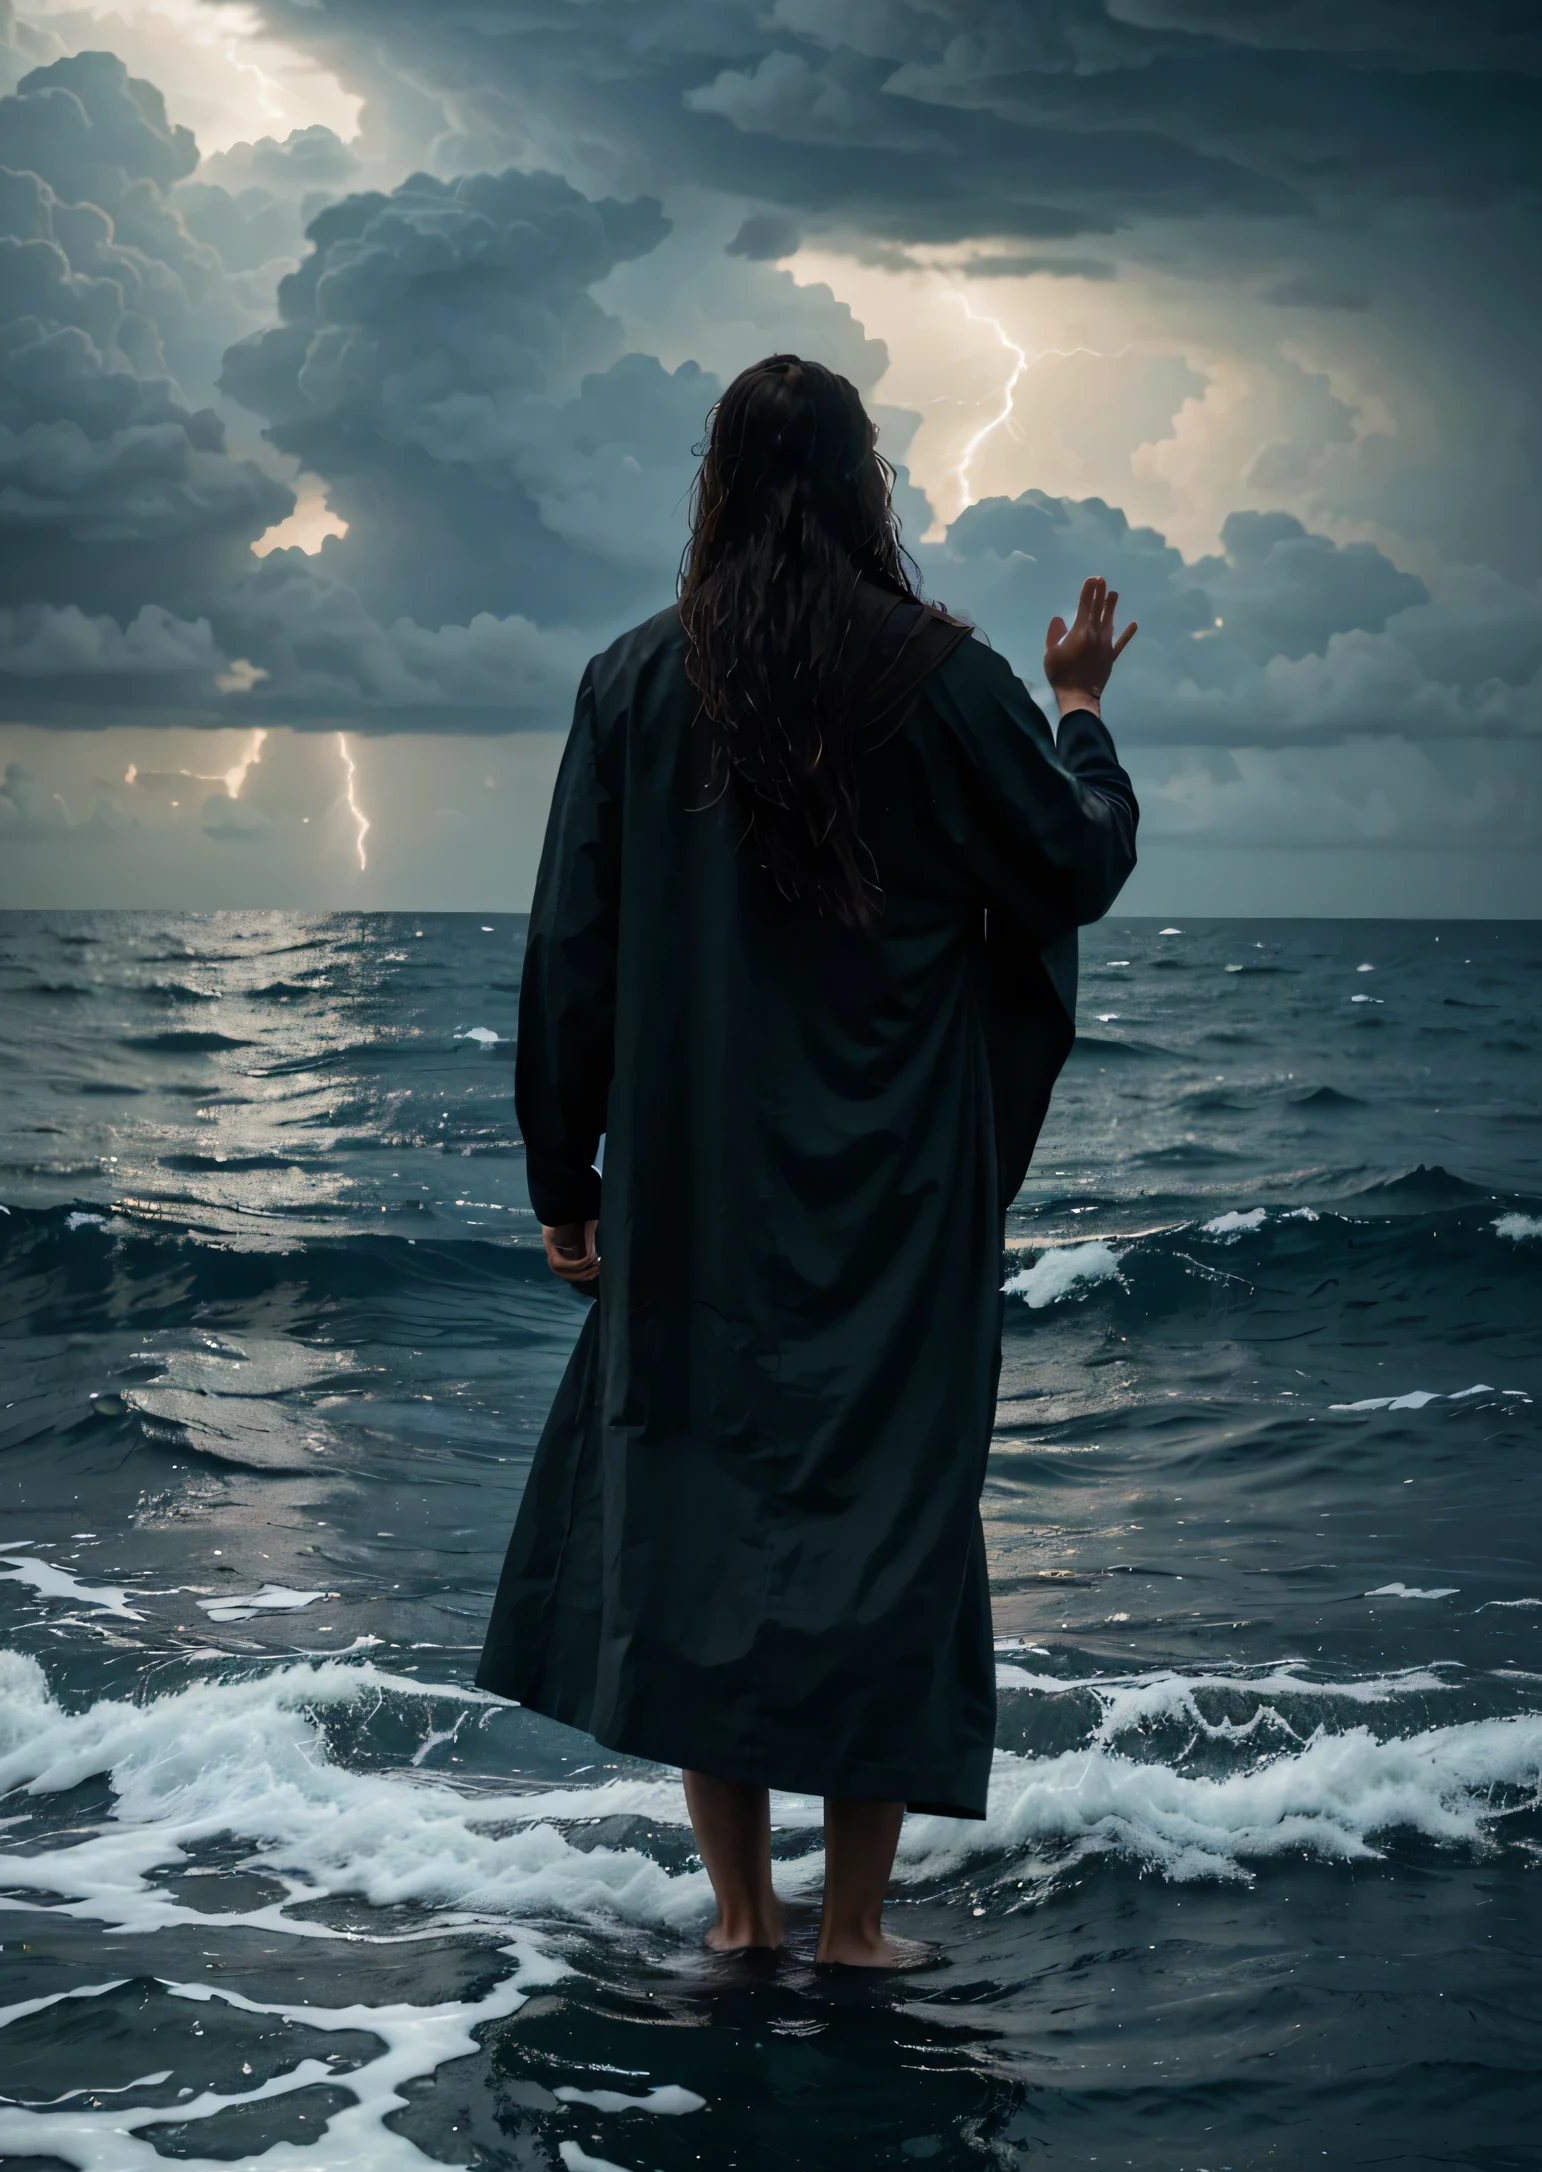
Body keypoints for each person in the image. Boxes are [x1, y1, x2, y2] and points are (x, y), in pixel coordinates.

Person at [479, 354, 1137, 1965]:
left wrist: (566, 1178)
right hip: (894, 1193)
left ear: (714, 487)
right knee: (889, 1522)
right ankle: (854, 1927)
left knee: (701, 1519)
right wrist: (1081, 715)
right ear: (867, 490)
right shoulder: (946, 677)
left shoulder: (633, 681)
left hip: (694, 1189)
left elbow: (570, 946)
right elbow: (1071, 862)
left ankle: (737, 1916)